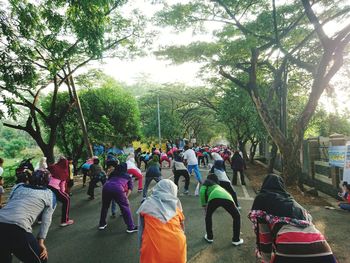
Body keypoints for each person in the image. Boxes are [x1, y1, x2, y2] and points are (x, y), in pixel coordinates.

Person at [248, 174, 337, 263]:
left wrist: (265, 260)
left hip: (289, 243)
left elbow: (264, 237)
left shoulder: (262, 198)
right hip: (320, 244)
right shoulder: (292, 201)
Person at [0, 169, 56, 263]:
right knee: (41, 259)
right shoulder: (50, 195)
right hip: (18, 227)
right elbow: (46, 221)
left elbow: (9, 204)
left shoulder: (18, 187)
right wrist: (41, 242)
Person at [137, 179, 186, 263]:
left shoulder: (146, 206)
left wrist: (141, 248)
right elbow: (182, 229)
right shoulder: (177, 207)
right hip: (178, 247)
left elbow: (140, 231)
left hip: (152, 250)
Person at [200, 173, 243, 245]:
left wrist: (204, 205)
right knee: (237, 216)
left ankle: (209, 237)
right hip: (227, 197)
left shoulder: (207, 182)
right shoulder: (218, 186)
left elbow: (202, 191)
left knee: (208, 216)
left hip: (213, 196)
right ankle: (236, 240)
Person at [98, 163, 138, 233]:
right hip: (118, 188)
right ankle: (131, 227)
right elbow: (130, 188)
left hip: (106, 187)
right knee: (125, 207)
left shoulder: (112, 174)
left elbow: (109, 181)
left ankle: (102, 224)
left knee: (105, 206)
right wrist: (126, 197)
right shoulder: (127, 176)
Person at [48, 157, 74, 227]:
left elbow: (49, 168)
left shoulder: (54, 168)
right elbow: (62, 186)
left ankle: (40, 220)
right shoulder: (64, 172)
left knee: (47, 204)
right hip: (55, 188)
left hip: (48, 187)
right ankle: (64, 221)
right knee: (67, 200)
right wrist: (65, 193)